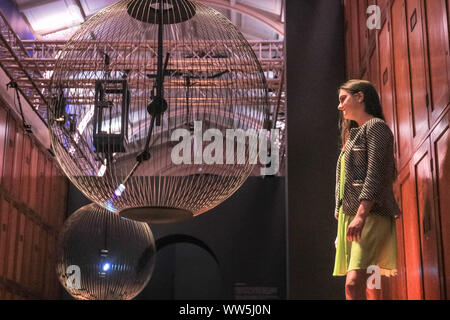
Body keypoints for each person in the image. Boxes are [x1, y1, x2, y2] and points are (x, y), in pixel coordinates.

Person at [332, 79, 401, 300]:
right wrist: (341, 221)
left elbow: (376, 173)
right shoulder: (353, 135)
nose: (339, 106)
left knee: (354, 284)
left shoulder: (376, 127)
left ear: (360, 96)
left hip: (368, 214)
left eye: (343, 99)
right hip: (350, 216)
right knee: (362, 284)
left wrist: (360, 216)